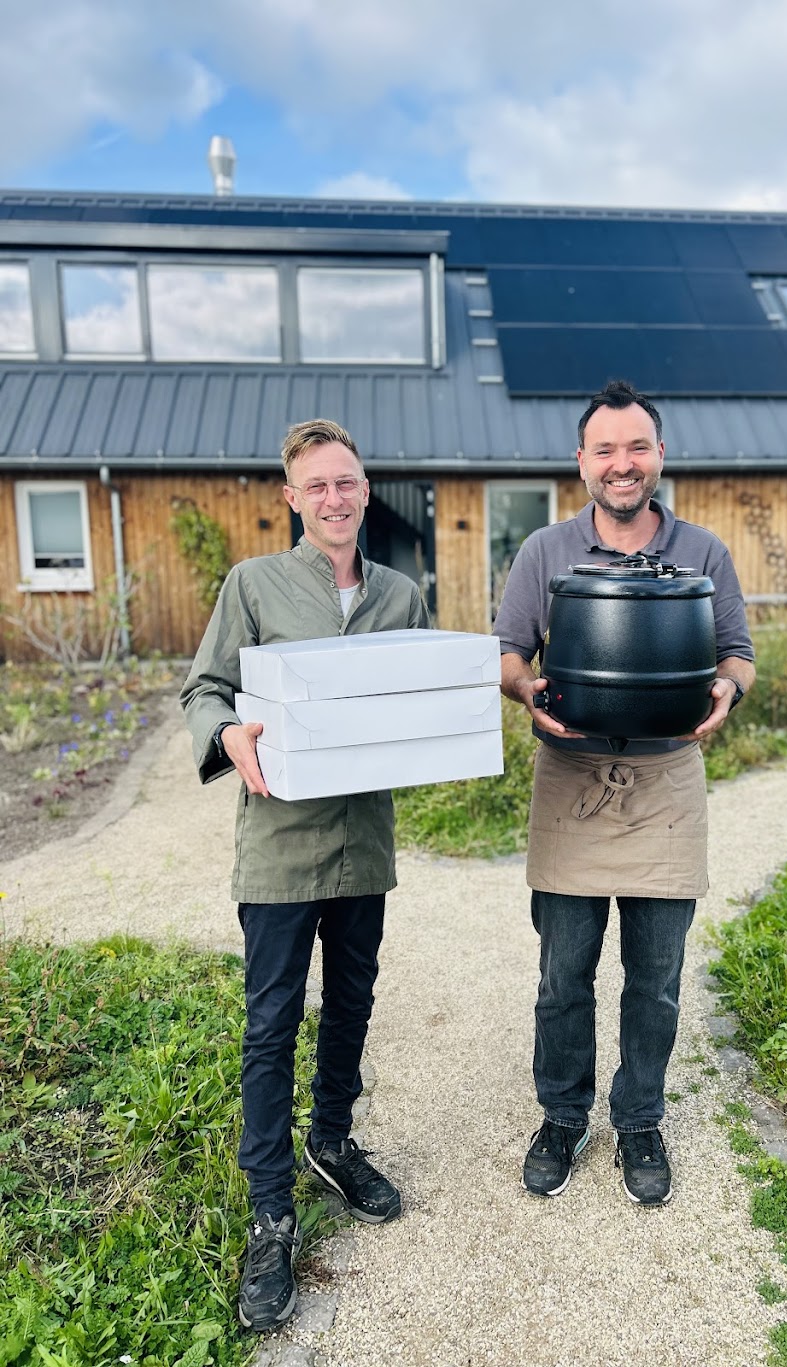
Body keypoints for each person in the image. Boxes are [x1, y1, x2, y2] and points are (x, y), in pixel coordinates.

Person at [180, 419, 429, 1332]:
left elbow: (415, 699)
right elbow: (204, 689)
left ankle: (331, 1140)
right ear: (292, 498)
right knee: (270, 1019)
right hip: (279, 847)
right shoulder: (251, 585)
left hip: (363, 842)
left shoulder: (402, 594)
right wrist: (227, 732)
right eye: (316, 484)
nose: (334, 497)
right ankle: (270, 1207)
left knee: (353, 1000)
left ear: (367, 492)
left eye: (347, 482)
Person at [493, 380, 755, 1207]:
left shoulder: (703, 552)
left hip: (666, 779)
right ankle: (562, 1115)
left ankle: (638, 1117)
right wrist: (526, 691)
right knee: (562, 973)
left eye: (636, 447)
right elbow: (507, 652)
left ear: (658, 456)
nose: (621, 463)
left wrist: (726, 693)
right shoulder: (544, 551)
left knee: (656, 975)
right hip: (569, 780)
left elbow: (736, 654)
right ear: (581, 462)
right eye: (605, 449)